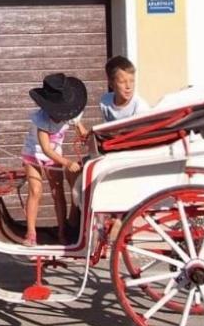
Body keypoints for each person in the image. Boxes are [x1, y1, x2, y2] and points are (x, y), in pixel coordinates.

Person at [22, 73, 89, 245]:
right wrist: (67, 162)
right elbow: (45, 148)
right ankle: (31, 233)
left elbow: (81, 130)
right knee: (35, 191)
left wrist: (86, 137)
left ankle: (62, 231)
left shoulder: (71, 113)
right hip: (34, 153)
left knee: (57, 192)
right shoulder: (41, 119)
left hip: (55, 153)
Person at [99, 55, 150, 122]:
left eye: (132, 81)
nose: (128, 86)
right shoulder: (105, 102)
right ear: (111, 83)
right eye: (122, 82)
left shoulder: (140, 107)